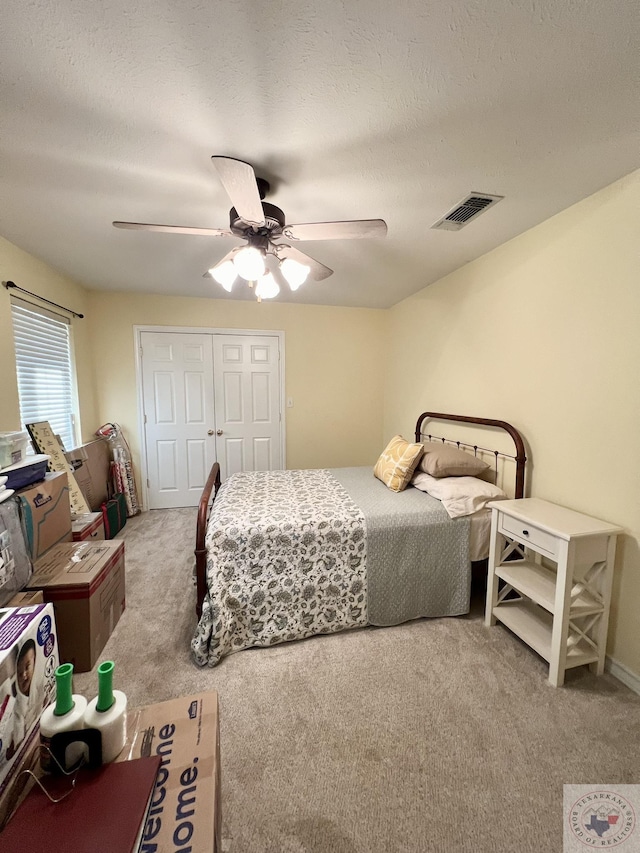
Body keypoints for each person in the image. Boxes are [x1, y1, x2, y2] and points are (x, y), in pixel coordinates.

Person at [6, 639, 41, 759]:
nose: (24, 675)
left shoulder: (40, 688)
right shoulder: (14, 708)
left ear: (35, 660)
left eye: (27, 667)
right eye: (20, 673)